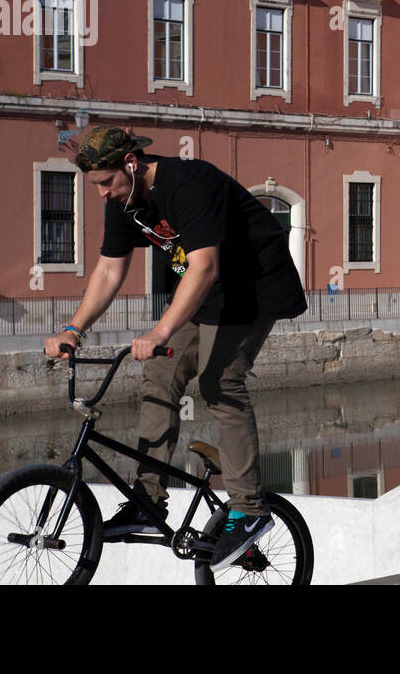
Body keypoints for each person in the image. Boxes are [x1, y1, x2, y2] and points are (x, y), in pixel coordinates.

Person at [44, 126, 307, 569]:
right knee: (159, 375)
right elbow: (110, 270)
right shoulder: (124, 200)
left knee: (219, 381)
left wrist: (160, 333)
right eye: (96, 186)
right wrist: (75, 328)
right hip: (207, 293)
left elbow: (203, 266)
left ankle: (249, 510)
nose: (103, 193)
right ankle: (147, 502)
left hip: (255, 287)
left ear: (131, 163)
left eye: (105, 182)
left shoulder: (187, 184)